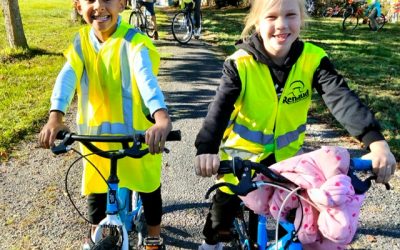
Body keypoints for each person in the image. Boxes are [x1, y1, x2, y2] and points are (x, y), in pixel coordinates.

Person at [194, 0, 397, 249]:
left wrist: (375, 142)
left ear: (302, 18)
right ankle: (210, 242)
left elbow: (342, 99)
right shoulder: (240, 64)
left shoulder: (312, 60)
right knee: (221, 216)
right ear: (257, 22)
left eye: (291, 15)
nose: (282, 25)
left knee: (296, 225)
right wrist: (206, 149)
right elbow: (219, 110)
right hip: (240, 163)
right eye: (271, 17)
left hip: (289, 166)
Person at [38, 0, 171, 249]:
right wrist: (55, 116)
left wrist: (160, 116)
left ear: (122, 4)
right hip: (96, 144)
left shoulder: (133, 41)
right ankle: (95, 238)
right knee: (95, 204)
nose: (99, 6)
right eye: (90, 0)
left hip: (136, 141)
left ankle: (154, 237)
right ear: (78, 7)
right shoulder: (80, 43)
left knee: (150, 191)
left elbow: (146, 78)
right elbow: (67, 76)